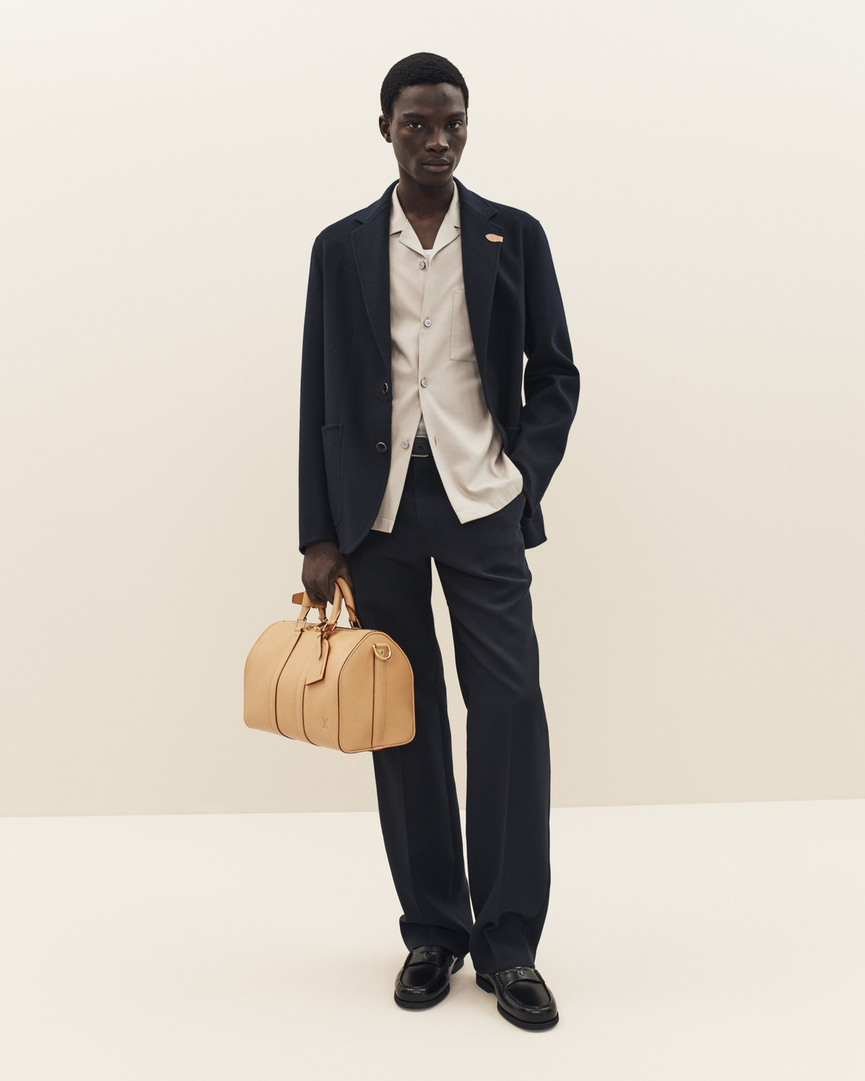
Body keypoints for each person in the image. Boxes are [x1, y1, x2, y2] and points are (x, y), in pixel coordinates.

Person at [298, 52, 579, 1030]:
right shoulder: (339, 247)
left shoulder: (513, 234)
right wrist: (318, 532)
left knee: (508, 706)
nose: (436, 139)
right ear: (385, 127)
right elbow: (319, 389)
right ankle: (432, 930)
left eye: (452, 122)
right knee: (403, 716)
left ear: (468, 126)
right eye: (416, 123)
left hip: (479, 499)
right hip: (374, 513)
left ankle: (510, 945)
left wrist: (520, 474)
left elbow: (555, 372)